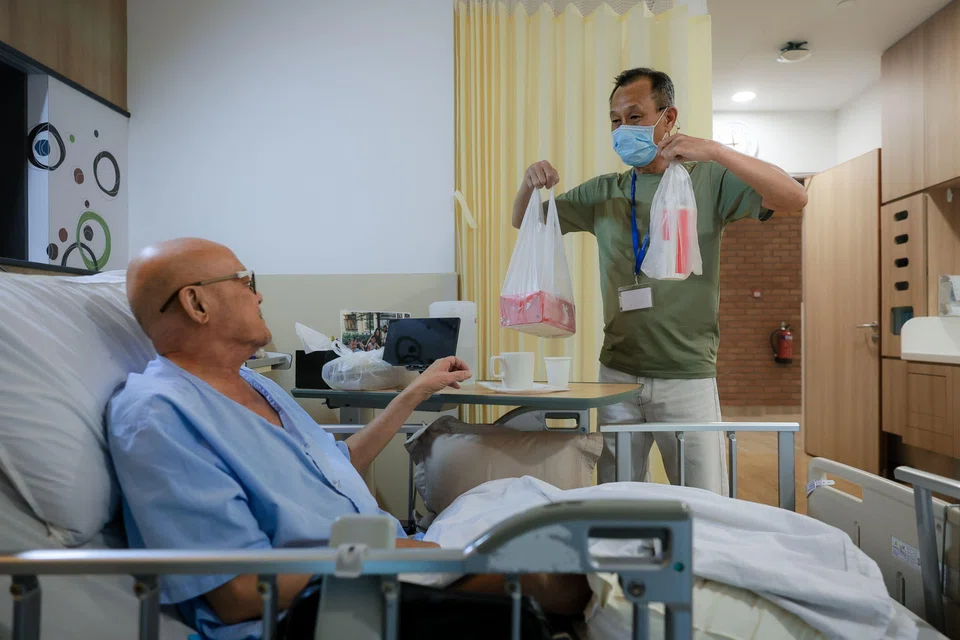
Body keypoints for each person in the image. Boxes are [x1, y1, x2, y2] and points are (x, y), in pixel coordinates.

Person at [108, 238, 589, 640]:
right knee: (553, 576)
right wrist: (392, 556)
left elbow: (335, 467)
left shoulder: (257, 385)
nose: (257, 296)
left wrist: (416, 391)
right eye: (244, 281)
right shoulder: (158, 415)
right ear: (197, 303)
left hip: (386, 557)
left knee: (565, 525)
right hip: (324, 608)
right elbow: (237, 593)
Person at [511, 68, 807, 493]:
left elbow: (794, 197)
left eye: (634, 117)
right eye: (615, 120)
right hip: (617, 375)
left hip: (687, 376)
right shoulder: (604, 193)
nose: (622, 129)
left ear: (668, 118)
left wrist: (716, 151)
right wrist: (528, 185)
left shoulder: (708, 180)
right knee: (620, 502)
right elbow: (526, 224)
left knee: (704, 503)